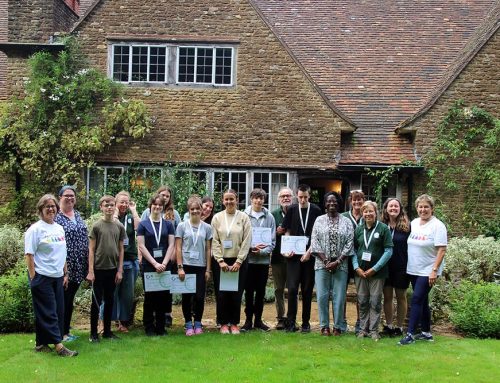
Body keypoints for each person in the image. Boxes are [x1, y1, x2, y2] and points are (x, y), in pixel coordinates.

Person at [25, 194, 78, 356]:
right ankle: (59, 346)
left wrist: (65, 273)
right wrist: (34, 277)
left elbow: (62, 252)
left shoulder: (58, 228)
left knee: (57, 310)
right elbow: (29, 255)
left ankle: (41, 343)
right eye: (47, 206)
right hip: (42, 276)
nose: (50, 209)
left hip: (57, 276)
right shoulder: (35, 229)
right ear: (41, 209)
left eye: (53, 206)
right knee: (49, 311)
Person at [399, 194, 447, 345]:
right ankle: (426, 333)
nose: (423, 209)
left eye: (426, 207)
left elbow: (442, 250)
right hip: (414, 269)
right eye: (420, 206)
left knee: (417, 299)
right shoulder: (413, 223)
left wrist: (434, 270)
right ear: (417, 208)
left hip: (428, 270)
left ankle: (411, 334)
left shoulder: (438, 226)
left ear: (432, 209)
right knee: (423, 300)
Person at [311, 192, 354, 336]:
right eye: (329, 201)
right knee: (322, 297)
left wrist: (338, 261)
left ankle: (338, 326)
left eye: (334, 201)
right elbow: (315, 242)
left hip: (341, 265)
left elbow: (350, 242)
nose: (332, 204)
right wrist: (326, 261)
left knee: (339, 297)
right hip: (321, 265)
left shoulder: (346, 221)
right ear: (325, 203)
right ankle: (324, 326)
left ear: (339, 203)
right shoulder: (319, 220)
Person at [281, 184, 322, 333]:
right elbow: (287, 231)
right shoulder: (292, 209)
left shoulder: (316, 210)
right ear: (296, 196)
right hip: (293, 257)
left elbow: (318, 235)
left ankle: (306, 322)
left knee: (307, 290)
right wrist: (286, 249)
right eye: (300, 197)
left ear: (309, 196)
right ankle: (291, 322)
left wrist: (309, 252)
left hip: (310, 257)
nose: (303, 200)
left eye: (305, 197)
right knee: (292, 289)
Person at [211, 189, 251, 334]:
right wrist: (220, 260)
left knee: (236, 293)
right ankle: (222, 323)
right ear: (222, 201)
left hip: (238, 261)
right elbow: (214, 240)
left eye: (231, 199)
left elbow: (247, 241)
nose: (229, 202)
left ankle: (234, 323)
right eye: (226, 199)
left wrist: (239, 261)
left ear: (237, 199)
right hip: (221, 261)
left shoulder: (244, 217)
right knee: (221, 294)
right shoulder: (217, 218)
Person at [352, 201, 393, 341]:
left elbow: (388, 251)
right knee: (362, 301)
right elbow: (353, 250)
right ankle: (363, 329)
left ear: (376, 213)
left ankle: (374, 330)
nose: (368, 214)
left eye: (371, 211)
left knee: (375, 301)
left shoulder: (383, 229)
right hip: (360, 273)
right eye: (365, 211)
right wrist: (356, 267)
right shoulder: (358, 229)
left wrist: (375, 269)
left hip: (377, 274)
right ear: (362, 214)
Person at [87, 195, 125, 343]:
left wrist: (120, 270)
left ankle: (107, 332)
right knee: (96, 302)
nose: (109, 208)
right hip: (98, 269)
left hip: (112, 269)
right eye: (106, 205)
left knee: (110, 301)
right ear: (101, 207)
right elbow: (91, 249)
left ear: (115, 207)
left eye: (111, 205)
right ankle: (93, 333)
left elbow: (121, 249)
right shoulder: (96, 226)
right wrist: (91, 271)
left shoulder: (119, 226)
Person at [141, 186, 180, 327]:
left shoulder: (169, 223)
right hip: (149, 264)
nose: (157, 206)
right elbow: (141, 245)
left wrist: (164, 262)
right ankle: (149, 325)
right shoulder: (143, 223)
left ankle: (161, 325)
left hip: (165, 263)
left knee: (163, 295)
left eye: (160, 205)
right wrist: (155, 264)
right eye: (155, 204)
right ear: (150, 206)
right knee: (150, 296)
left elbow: (172, 243)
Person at [55, 185, 88, 342]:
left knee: (70, 300)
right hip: (65, 265)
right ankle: (61, 333)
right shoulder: (56, 217)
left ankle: (66, 330)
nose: (69, 198)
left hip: (79, 264)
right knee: (63, 300)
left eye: (72, 195)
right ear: (60, 197)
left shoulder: (78, 214)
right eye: (66, 195)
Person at [175, 196, 213, 336]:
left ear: (201, 210)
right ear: (188, 210)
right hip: (186, 265)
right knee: (187, 296)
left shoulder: (207, 228)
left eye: (198, 209)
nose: (195, 211)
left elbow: (208, 249)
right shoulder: (182, 226)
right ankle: (187, 323)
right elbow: (178, 247)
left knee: (199, 296)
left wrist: (208, 269)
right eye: (192, 209)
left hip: (201, 266)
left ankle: (197, 322)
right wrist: (180, 267)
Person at [241, 188, 276, 332]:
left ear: (264, 200)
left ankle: (258, 321)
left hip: (262, 262)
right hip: (248, 261)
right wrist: (248, 249)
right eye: (256, 198)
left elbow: (272, 242)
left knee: (260, 292)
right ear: (251, 199)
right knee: (248, 292)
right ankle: (248, 321)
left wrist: (261, 251)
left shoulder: (270, 217)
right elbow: (240, 237)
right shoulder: (243, 216)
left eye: (261, 198)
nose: (258, 201)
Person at [381, 198, 410, 337]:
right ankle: (389, 325)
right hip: (385, 267)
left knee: (401, 297)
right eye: (390, 206)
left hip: (401, 267)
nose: (393, 208)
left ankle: (399, 327)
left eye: (396, 206)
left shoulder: (407, 227)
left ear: (400, 209)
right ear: (386, 208)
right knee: (387, 297)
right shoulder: (381, 225)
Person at [112, 191, 141, 333]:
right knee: (112, 293)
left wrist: (134, 210)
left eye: (126, 202)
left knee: (127, 295)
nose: (124, 205)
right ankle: (106, 321)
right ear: (116, 203)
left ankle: (123, 322)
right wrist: (116, 212)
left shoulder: (130, 217)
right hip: (114, 260)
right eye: (121, 202)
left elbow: (139, 228)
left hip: (130, 258)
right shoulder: (110, 216)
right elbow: (115, 226)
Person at [341, 189, 365, 333]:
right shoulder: (344, 217)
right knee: (341, 292)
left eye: (359, 200)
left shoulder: (368, 216)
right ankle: (342, 321)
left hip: (361, 261)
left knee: (361, 293)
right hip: (344, 259)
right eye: (354, 200)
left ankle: (359, 322)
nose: (357, 202)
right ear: (350, 201)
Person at [271, 187, 294, 330]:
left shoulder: (297, 212)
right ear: (279, 199)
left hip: (293, 259)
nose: (286, 198)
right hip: (277, 259)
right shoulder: (273, 215)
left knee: (292, 290)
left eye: (288, 196)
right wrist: (276, 232)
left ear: (293, 198)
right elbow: (267, 235)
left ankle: (291, 318)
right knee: (278, 289)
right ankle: (280, 318)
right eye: (283, 196)